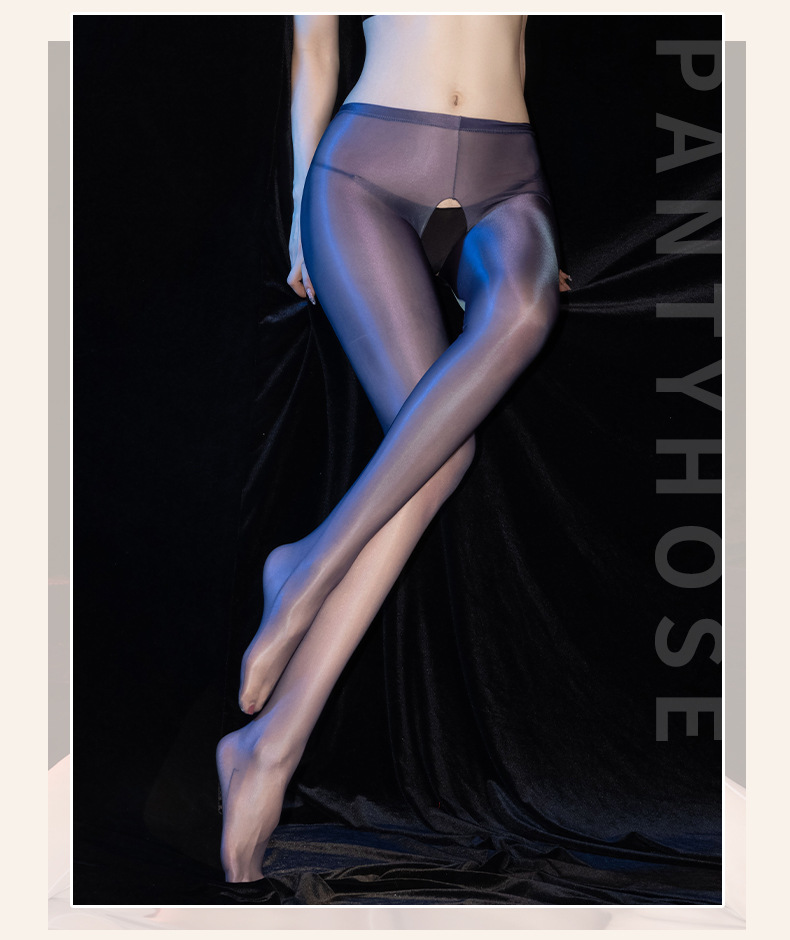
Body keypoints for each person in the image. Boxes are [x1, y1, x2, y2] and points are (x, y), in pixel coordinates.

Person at [217, 13, 570, 884]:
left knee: (528, 308)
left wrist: (538, 231)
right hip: (365, 174)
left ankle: (308, 567)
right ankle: (270, 747)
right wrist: (298, 216)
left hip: (509, 177)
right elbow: (314, 47)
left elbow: (518, 45)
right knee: (445, 458)